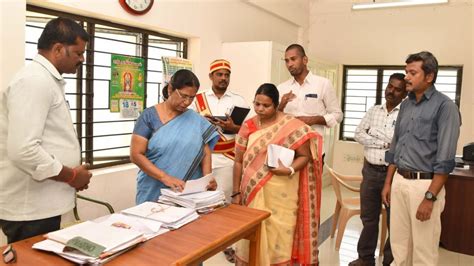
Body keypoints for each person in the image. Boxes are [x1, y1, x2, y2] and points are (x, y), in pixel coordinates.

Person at [0, 18, 93, 243]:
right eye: (78, 53)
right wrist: (71, 176)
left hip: (42, 205)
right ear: (58, 49)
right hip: (30, 209)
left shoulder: (46, 80)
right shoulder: (34, 81)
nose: (82, 59)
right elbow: (24, 150)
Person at [381, 51, 461, 265]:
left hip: (424, 185)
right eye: (406, 71)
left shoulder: (446, 107)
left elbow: (445, 160)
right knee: (399, 247)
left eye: (412, 72)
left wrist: (429, 197)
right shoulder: (405, 105)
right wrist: (388, 182)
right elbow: (396, 146)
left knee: (423, 251)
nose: (406, 77)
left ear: (429, 76)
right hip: (399, 182)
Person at [232, 83, 323, 265]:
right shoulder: (248, 126)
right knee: (253, 236)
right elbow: (238, 161)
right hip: (252, 193)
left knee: (279, 238)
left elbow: (304, 156)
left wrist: (288, 169)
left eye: (266, 106)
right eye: (257, 104)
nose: (260, 109)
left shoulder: (291, 126)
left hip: (283, 194)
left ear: (276, 105)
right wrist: (236, 192)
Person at [130, 69, 220, 204]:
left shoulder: (196, 120)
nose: (187, 102)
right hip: (154, 189)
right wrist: (165, 177)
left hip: (189, 194)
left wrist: (207, 178)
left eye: (191, 97)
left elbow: (205, 151)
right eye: (183, 96)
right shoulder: (148, 117)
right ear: (170, 89)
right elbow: (136, 155)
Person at [350, 73, 407, 266]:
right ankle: (365, 258)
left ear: (405, 93)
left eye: (397, 88)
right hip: (370, 171)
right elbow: (358, 134)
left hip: (393, 174)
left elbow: (398, 144)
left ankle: (390, 261)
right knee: (368, 218)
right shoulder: (374, 110)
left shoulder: (406, 113)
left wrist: (376, 136)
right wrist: (383, 142)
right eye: (390, 86)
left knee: (395, 221)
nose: (391, 91)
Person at [192, 59, 248, 203]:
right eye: (219, 74)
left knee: (224, 201)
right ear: (211, 76)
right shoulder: (196, 99)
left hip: (228, 160)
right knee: (201, 202)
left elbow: (249, 130)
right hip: (201, 159)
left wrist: (233, 128)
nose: (224, 78)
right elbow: (186, 126)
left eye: (227, 75)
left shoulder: (239, 100)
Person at [277, 44, 343, 160]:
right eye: (286, 61)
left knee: (312, 179)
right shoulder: (282, 88)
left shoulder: (323, 84)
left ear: (305, 60)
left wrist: (312, 120)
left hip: (314, 150)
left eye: (293, 59)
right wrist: (281, 105)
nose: (289, 64)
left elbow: (338, 115)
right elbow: (274, 119)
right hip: (288, 151)